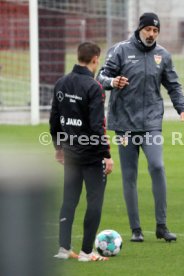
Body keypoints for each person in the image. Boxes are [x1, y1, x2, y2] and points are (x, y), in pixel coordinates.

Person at [97, 12, 184, 242]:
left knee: (157, 166)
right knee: (129, 176)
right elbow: (100, 76)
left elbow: (174, 86)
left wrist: (183, 109)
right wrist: (112, 82)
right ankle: (136, 230)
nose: (151, 34)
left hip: (151, 123)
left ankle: (161, 225)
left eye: (155, 31)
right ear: (140, 29)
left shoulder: (163, 55)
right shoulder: (120, 50)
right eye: (148, 29)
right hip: (125, 124)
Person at [50, 42, 114, 261]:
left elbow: (54, 121)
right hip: (91, 155)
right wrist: (106, 155)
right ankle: (87, 252)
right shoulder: (94, 87)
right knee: (94, 201)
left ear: (78, 57)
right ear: (95, 59)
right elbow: (98, 126)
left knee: (69, 200)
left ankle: (63, 249)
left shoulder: (61, 83)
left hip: (70, 153)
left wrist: (59, 148)